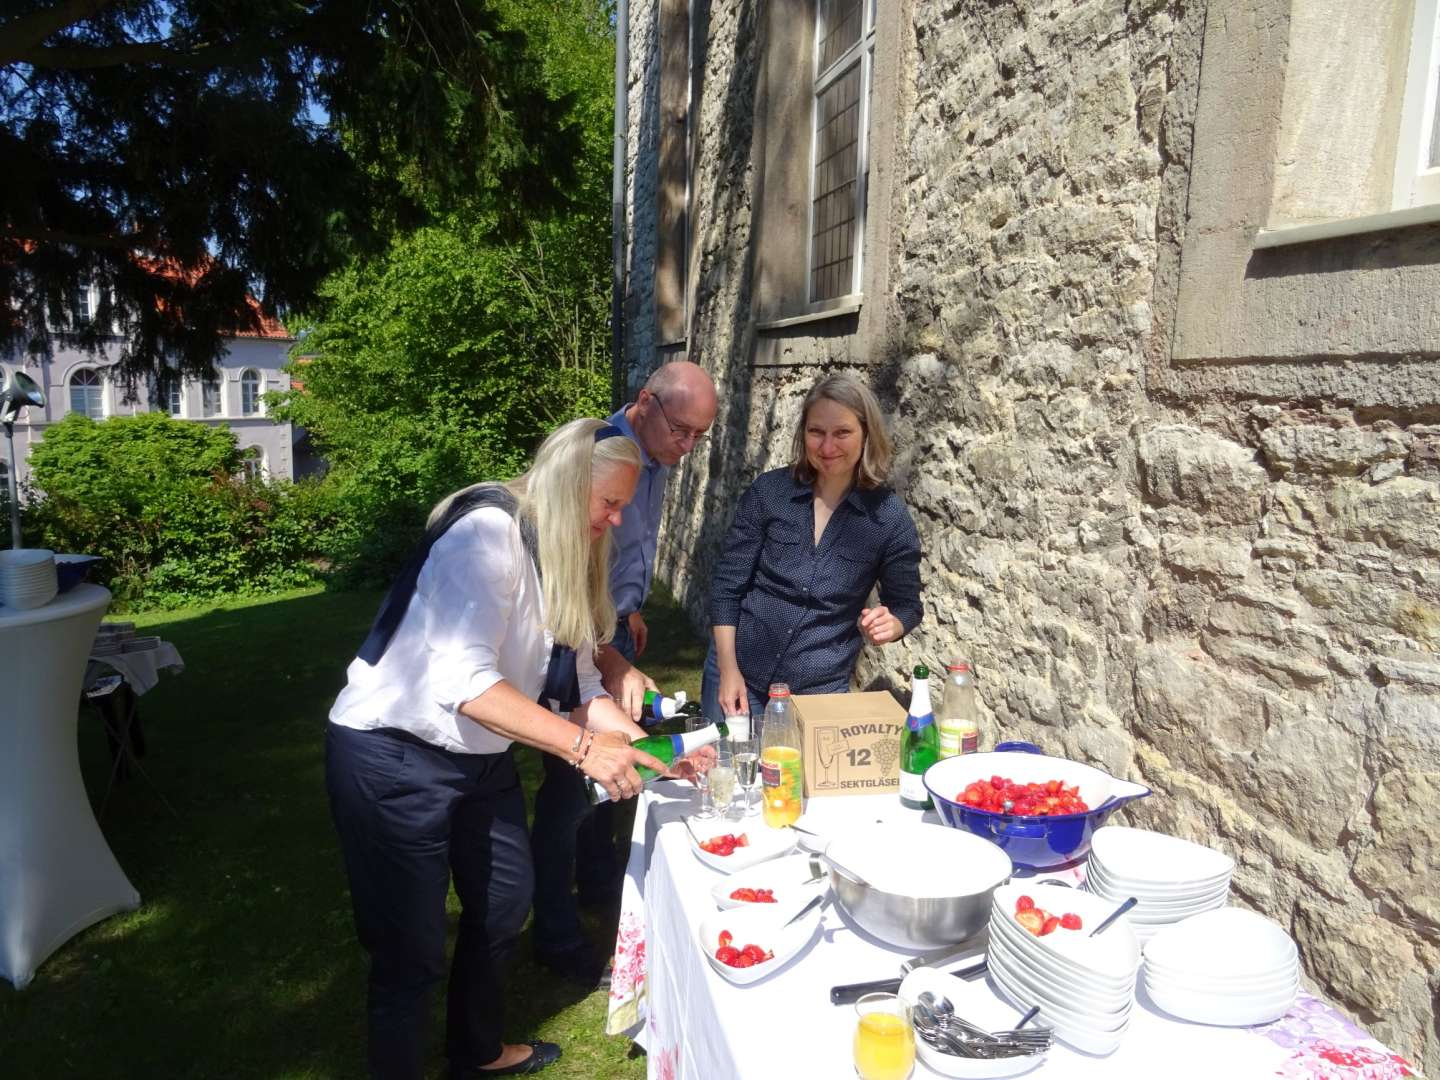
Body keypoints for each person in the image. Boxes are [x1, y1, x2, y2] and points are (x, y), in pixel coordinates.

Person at [326, 419, 670, 1079]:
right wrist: (582, 748)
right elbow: (465, 682)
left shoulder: (568, 560)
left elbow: (585, 688)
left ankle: (475, 1051)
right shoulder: (486, 535)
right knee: (411, 951)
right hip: (390, 756)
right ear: (571, 489)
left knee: (508, 900)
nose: (618, 519)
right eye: (609, 503)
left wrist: (657, 749)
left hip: (478, 759)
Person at [529, 361, 719, 983]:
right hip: (568, 635)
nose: (687, 447)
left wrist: (627, 613)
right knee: (567, 790)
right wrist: (605, 651)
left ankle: (601, 884)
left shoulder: (654, 462)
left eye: (700, 436)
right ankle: (557, 935)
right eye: (681, 431)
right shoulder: (596, 455)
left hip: (606, 632)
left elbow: (624, 552)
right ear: (646, 403)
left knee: (610, 772)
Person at [703, 373, 923, 721]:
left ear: (866, 434)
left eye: (842, 433)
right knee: (724, 773)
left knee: (801, 778)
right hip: (740, 675)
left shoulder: (888, 518)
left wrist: (892, 624)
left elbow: (907, 605)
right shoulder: (769, 493)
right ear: (802, 433)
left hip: (817, 694)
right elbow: (727, 588)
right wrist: (728, 670)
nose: (827, 447)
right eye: (816, 432)